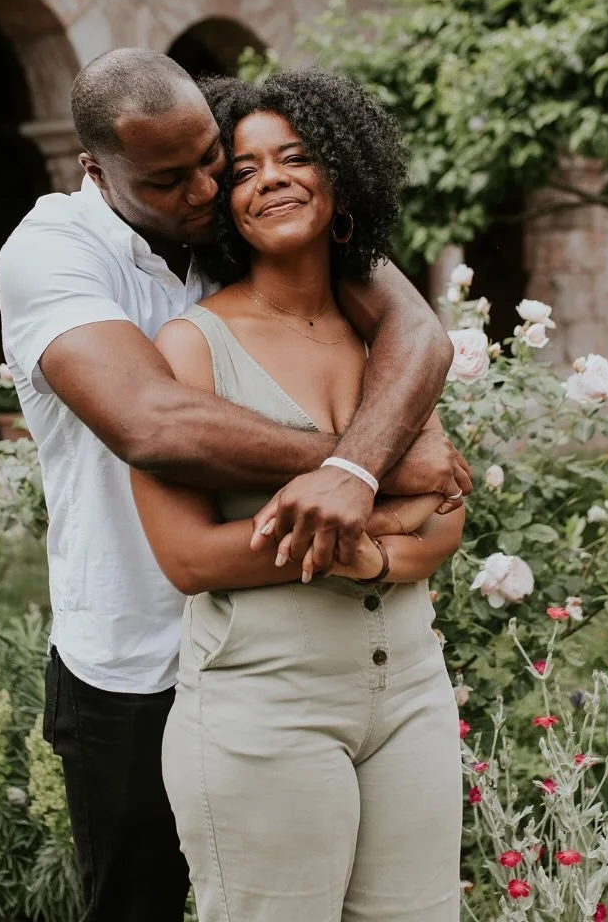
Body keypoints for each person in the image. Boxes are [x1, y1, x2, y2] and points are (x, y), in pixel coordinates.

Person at [0, 48, 471, 922]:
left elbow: (416, 330)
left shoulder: (243, 230)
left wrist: (360, 485)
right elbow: (155, 426)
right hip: (137, 656)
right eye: (172, 179)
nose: (208, 190)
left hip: (308, 654)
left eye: (214, 159)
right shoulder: (52, 252)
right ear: (96, 170)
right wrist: (374, 466)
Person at [132, 69, 464, 922]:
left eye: (296, 158)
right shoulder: (190, 346)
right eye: (244, 171)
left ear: (340, 176)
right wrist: (367, 522)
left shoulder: (385, 340)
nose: (272, 178)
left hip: (413, 696)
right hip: (262, 707)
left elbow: (449, 508)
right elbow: (188, 556)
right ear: (224, 204)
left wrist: (377, 545)